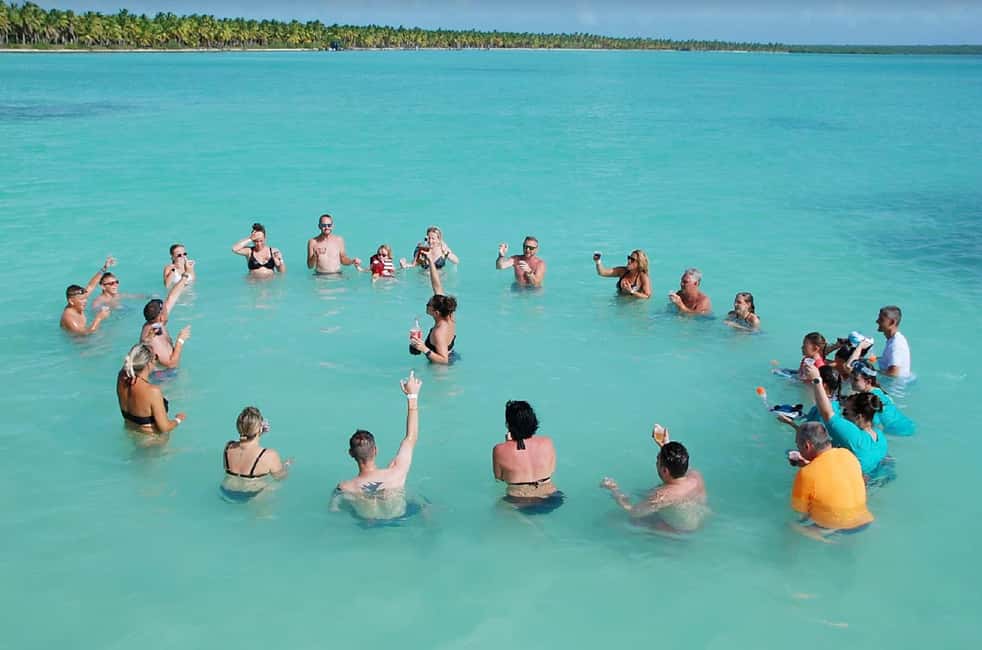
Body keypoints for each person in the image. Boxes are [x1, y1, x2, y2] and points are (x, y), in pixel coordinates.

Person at [332, 373, 423, 520]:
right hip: (399, 519)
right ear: (376, 450)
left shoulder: (345, 487)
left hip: (369, 526)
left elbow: (334, 509)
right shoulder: (396, 472)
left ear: (351, 454)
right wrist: (412, 397)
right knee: (424, 504)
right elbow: (411, 438)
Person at [600, 424, 708, 532]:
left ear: (665, 471)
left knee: (615, 520)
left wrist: (614, 490)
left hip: (680, 531)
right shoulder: (695, 476)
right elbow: (678, 464)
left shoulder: (662, 495)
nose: (656, 463)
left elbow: (633, 511)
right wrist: (665, 445)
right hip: (697, 519)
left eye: (658, 460)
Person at [802, 363, 888, 478]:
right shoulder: (880, 436)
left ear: (859, 417)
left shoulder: (854, 436)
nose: (843, 415)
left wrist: (816, 380)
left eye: (846, 412)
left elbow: (827, 413)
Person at [788, 421, 874, 537]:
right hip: (865, 520)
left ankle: (827, 540)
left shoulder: (805, 474)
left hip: (837, 528)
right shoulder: (848, 455)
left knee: (791, 526)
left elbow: (801, 511)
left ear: (807, 446)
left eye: (798, 446)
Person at [492, 400, 563, 513]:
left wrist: (507, 444)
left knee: (497, 510)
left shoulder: (499, 449)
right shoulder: (547, 442)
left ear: (508, 424)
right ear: (533, 421)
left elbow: (499, 478)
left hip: (520, 501)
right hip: (552, 497)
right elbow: (551, 469)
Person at [116, 343, 186, 441]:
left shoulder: (121, 377)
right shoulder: (152, 391)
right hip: (152, 441)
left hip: (131, 434)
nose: (157, 360)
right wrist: (178, 419)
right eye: (155, 357)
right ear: (149, 363)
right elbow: (164, 428)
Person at [221, 406, 289, 501]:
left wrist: (256, 433)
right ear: (260, 428)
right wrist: (286, 465)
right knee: (273, 486)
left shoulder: (228, 447)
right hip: (251, 494)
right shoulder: (269, 455)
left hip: (226, 490)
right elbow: (280, 477)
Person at [409, 249, 457, 364]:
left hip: (442, 368)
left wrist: (424, 349)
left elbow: (444, 361)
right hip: (453, 354)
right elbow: (437, 286)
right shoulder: (449, 314)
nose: (426, 305)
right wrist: (431, 261)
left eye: (428, 305)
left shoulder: (439, 332)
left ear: (436, 313)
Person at [140, 270, 193, 369]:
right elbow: (171, 364)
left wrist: (184, 277)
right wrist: (180, 340)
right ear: (161, 316)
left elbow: (171, 298)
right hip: (163, 376)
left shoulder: (156, 322)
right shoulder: (154, 339)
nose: (167, 309)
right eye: (165, 309)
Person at [849, 360, 916, 436]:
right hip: (908, 424)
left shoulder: (869, 400)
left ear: (868, 382)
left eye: (855, 380)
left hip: (897, 431)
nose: (851, 382)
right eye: (851, 378)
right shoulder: (879, 391)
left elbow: (875, 425)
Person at [60, 256, 115, 335]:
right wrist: (99, 318)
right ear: (71, 301)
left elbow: (91, 286)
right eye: (82, 299)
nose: (85, 301)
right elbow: (86, 334)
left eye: (85, 298)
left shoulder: (76, 304)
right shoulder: (69, 318)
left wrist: (105, 267)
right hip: (80, 344)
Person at [875, 306, 912, 378]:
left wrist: (871, 372)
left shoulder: (896, 344)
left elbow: (893, 373)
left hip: (892, 387)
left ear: (892, 322)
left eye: (881, 319)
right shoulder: (894, 339)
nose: (877, 321)